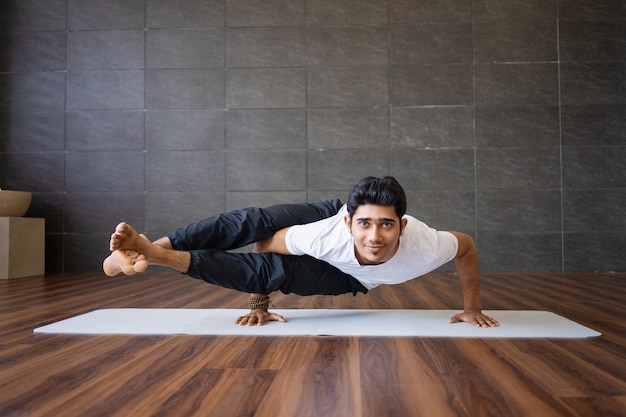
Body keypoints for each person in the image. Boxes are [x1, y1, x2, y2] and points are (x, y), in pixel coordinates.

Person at [104, 176, 499, 328]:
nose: (375, 236)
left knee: (282, 274)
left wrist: (473, 307)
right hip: (321, 223)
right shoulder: (326, 234)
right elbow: (266, 245)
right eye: (364, 223)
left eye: (386, 225)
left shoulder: (426, 245)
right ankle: (148, 250)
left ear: (403, 226)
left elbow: (466, 247)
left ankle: (154, 256)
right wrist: (258, 300)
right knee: (254, 222)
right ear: (349, 223)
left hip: (355, 276)